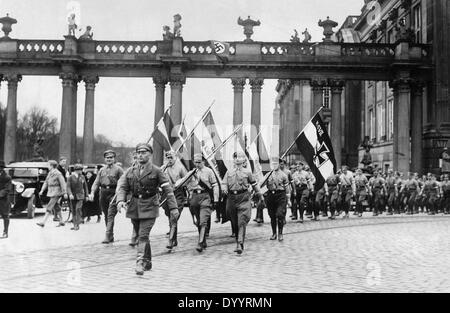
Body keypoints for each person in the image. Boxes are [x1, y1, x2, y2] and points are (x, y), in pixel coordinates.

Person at [116, 143, 178, 275]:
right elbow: (122, 186)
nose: (140, 155)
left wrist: (173, 208)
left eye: (144, 153)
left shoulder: (156, 171)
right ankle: (148, 261)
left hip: (150, 206)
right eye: (138, 152)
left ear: (150, 155)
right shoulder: (131, 171)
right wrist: (120, 200)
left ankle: (139, 262)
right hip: (134, 206)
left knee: (143, 235)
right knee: (141, 235)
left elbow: (168, 190)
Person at [223, 152, 263, 254]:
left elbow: (254, 184)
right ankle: (238, 240)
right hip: (232, 199)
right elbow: (224, 183)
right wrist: (224, 189)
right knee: (235, 222)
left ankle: (239, 243)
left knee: (242, 221)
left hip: (243, 198)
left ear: (243, 160)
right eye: (235, 157)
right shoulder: (229, 172)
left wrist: (260, 195)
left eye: (240, 157)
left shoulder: (248, 172)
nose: (237, 159)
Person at [185, 153, 219, 253]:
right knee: (199, 221)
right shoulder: (192, 172)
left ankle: (200, 243)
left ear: (203, 161)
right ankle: (203, 240)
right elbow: (186, 184)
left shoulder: (209, 171)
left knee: (203, 221)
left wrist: (216, 199)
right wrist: (190, 194)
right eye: (195, 162)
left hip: (205, 197)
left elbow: (215, 185)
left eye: (199, 162)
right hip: (195, 197)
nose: (197, 164)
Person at [89, 150, 124, 243]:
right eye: (107, 158)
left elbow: (123, 182)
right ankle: (110, 235)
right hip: (103, 192)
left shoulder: (118, 169)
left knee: (110, 214)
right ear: (105, 159)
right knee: (106, 215)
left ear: (114, 159)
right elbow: (96, 182)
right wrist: (92, 192)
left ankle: (107, 235)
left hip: (114, 192)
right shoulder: (102, 170)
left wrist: (121, 193)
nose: (109, 159)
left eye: (111, 157)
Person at [162, 150, 187, 251]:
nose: (169, 160)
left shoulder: (180, 168)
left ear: (175, 157)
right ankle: (174, 239)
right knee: (170, 217)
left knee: (174, 217)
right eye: (168, 158)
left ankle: (171, 240)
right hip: (166, 195)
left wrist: (179, 183)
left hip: (178, 194)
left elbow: (187, 180)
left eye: (171, 157)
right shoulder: (163, 168)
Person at [263, 157, 290, 241]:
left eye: (276, 163)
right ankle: (274, 233)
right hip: (271, 196)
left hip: (280, 196)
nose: (274, 165)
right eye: (273, 163)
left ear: (279, 164)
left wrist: (288, 200)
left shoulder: (284, 175)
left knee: (280, 214)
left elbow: (287, 189)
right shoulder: (268, 175)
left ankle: (280, 233)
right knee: (272, 216)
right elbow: (262, 185)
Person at [37, 160, 67, 227]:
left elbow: (63, 183)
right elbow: (46, 182)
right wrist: (42, 190)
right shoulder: (50, 173)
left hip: (57, 191)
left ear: (52, 166)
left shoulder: (58, 173)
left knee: (49, 205)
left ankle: (43, 222)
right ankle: (61, 221)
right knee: (56, 206)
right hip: (51, 191)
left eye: (48, 165)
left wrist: (64, 192)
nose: (47, 167)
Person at [66, 164, 89, 230]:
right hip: (73, 196)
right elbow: (68, 187)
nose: (81, 171)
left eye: (81, 170)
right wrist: (70, 194)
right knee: (73, 211)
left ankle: (78, 222)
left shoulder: (82, 177)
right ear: (76, 170)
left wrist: (86, 195)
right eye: (79, 170)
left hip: (80, 196)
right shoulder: (70, 177)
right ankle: (75, 225)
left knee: (78, 208)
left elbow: (85, 187)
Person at [0, 161, 12, 238]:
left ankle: (5, 232)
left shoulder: (7, 177)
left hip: (3, 200)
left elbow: (7, 189)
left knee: (5, 216)